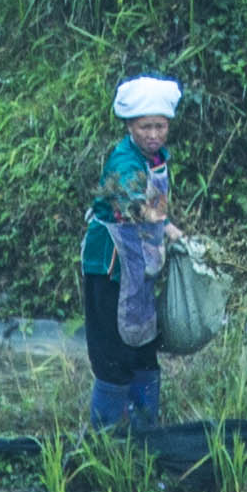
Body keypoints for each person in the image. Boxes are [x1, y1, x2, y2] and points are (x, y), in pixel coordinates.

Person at [81, 73, 179, 433]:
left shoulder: (157, 158)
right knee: (112, 351)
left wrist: (171, 234)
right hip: (109, 266)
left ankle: (144, 430)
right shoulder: (123, 160)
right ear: (129, 126)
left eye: (160, 126)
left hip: (139, 266)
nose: (153, 135)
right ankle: (108, 439)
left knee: (142, 345)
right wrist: (168, 227)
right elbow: (135, 205)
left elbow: (155, 210)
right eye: (145, 128)